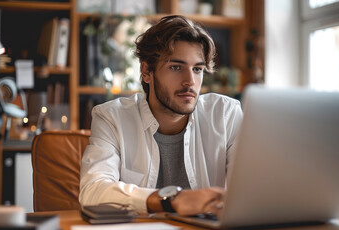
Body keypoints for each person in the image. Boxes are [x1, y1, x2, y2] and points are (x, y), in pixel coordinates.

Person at [79, 15, 243, 217]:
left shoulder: (226, 115)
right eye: (176, 67)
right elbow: (93, 191)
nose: (190, 81)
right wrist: (172, 200)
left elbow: (252, 187)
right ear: (147, 71)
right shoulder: (112, 118)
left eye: (197, 69)